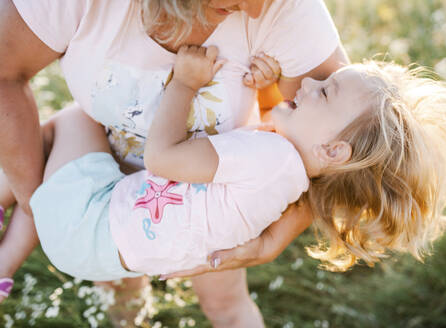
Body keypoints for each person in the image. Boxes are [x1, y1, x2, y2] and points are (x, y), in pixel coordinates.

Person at [1, 45, 446, 295]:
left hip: (89, 218)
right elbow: (245, 148)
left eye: (326, 92)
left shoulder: (268, 158)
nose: (312, 85)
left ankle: (6, 254)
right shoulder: (286, 181)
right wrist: (266, 89)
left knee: (78, 118)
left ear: (335, 151)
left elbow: (161, 158)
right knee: (54, 162)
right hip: (100, 256)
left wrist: (185, 85)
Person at [0, 0, 348, 326]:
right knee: (220, 305)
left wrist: (273, 240)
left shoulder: (284, 14)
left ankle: (11, 223)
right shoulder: (271, 163)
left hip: (151, 209)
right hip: (177, 205)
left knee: (69, 124)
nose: (256, 11)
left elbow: (348, 139)